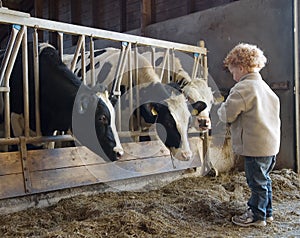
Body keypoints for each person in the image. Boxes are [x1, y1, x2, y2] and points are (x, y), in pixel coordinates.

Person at [217, 43, 281, 227]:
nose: (233, 77)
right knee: (264, 179)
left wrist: (221, 109)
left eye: (232, 72)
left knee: (256, 182)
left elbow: (228, 114)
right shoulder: (265, 88)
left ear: (241, 68)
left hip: (255, 147)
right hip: (270, 145)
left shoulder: (243, 88)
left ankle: (256, 215)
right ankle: (267, 212)